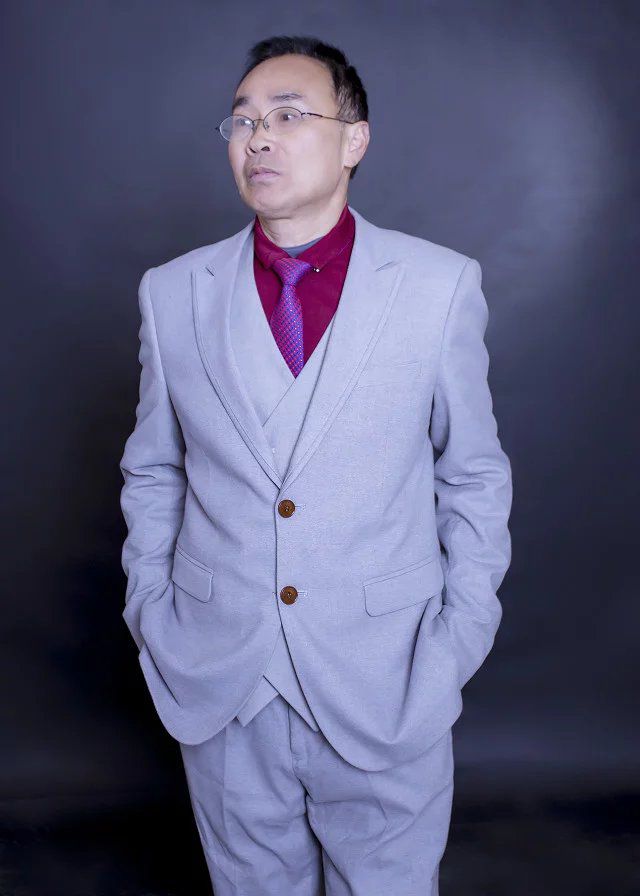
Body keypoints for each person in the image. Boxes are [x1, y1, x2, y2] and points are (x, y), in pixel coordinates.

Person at [119, 34, 512, 896]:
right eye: (243, 121)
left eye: (289, 115)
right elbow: (154, 470)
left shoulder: (438, 286)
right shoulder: (172, 292)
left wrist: (456, 641)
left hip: (387, 678)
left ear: (354, 139)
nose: (259, 136)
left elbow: (474, 476)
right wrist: (153, 608)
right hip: (221, 676)